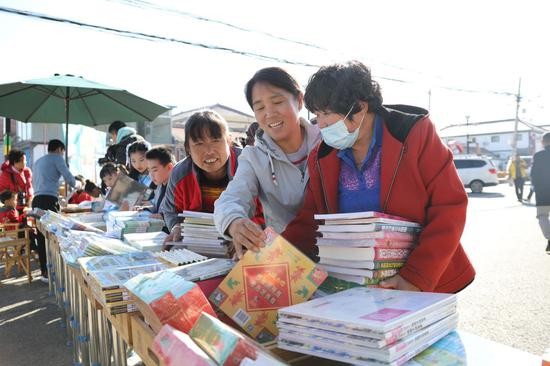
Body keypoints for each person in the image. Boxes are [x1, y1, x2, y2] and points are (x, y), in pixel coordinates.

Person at [281, 61, 474, 293]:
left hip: (421, 282)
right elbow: (310, 219)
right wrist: (274, 254)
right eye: (317, 115)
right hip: (352, 286)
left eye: (327, 114)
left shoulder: (414, 134)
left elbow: (449, 206)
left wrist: (415, 277)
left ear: (360, 107)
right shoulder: (321, 157)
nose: (320, 124)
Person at [214, 67, 321, 259]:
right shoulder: (253, 158)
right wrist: (234, 222)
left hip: (337, 256)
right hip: (285, 259)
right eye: (260, 107)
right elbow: (232, 198)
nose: (270, 114)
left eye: (277, 102)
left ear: (299, 101)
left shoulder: (327, 142)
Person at [160, 110, 264, 247]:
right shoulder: (179, 174)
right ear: (187, 148)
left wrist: (244, 234)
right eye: (199, 144)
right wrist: (175, 227)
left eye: (216, 141)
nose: (209, 151)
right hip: (197, 248)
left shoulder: (250, 166)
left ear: (229, 141)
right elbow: (170, 210)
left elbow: (268, 213)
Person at [32, 139, 76, 281]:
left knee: (41, 236)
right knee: (55, 235)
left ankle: (44, 271)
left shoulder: (38, 161)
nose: (62, 154)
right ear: (58, 149)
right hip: (49, 201)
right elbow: (70, 179)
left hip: (37, 200)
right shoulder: (57, 158)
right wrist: (77, 183)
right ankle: (55, 269)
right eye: (62, 152)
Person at [530, 132, 550, 253]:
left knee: (542, 216)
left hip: (543, 192)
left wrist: (534, 188)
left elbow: (534, 174)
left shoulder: (538, 155)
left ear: (544, 142)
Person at [0, 149, 33, 215]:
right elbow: (1, 192)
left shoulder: (27, 172)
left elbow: (29, 186)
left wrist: (29, 199)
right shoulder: (5, 174)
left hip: (26, 206)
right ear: (15, 162)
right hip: (11, 209)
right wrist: (12, 196)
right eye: (23, 160)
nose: (25, 162)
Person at [145, 146, 175, 214]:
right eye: (149, 170)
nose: (151, 175)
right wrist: (145, 208)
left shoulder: (178, 188)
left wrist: (164, 217)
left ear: (169, 167)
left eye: (155, 170)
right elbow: (157, 206)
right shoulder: (159, 185)